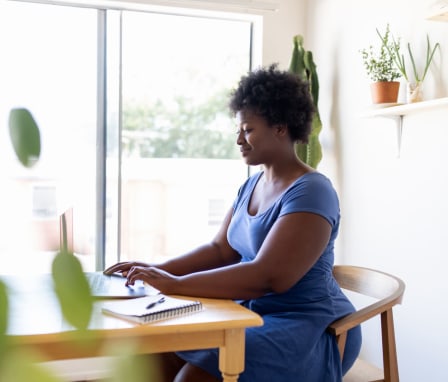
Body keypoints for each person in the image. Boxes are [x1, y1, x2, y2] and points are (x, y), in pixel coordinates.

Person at [104, 64, 361, 382]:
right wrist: (159, 271)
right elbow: (220, 249)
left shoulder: (313, 190)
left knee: (192, 377)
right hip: (249, 312)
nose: (239, 139)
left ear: (280, 127)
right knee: (154, 353)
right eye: (239, 130)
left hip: (306, 327)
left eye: (248, 129)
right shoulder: (252, 185)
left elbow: (271, 276)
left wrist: (175, 284)